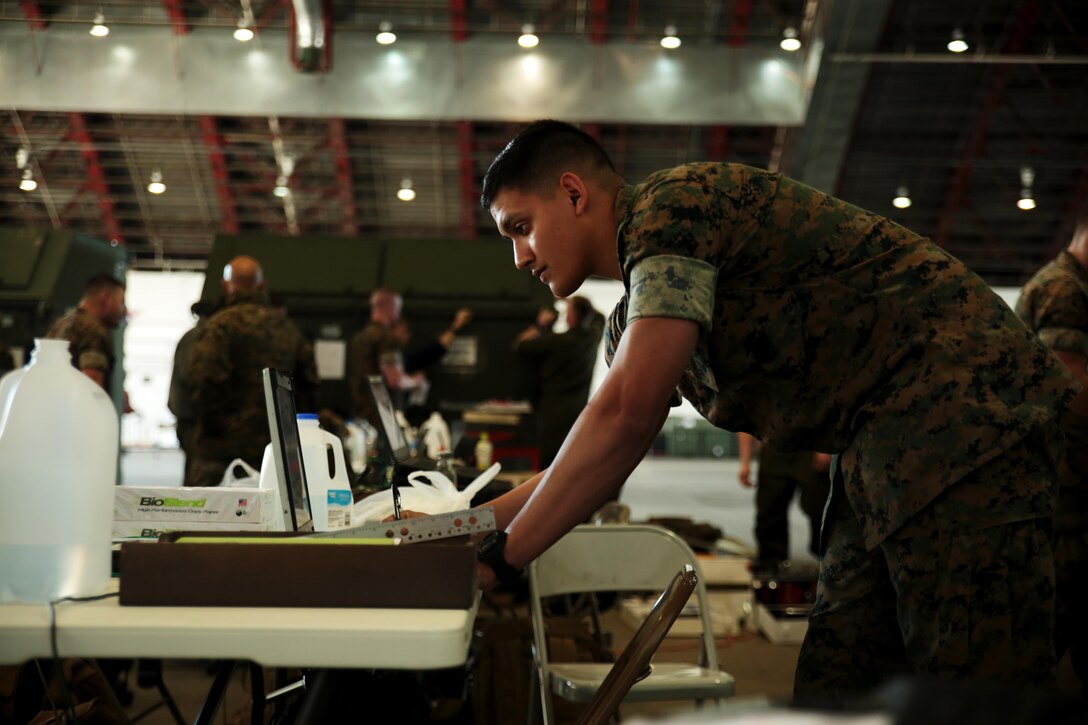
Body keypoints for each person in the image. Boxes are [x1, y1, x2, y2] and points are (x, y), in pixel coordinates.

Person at [467, 120, 1078, 702]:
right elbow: (593, 456)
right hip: (880, 443)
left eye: (520, 227)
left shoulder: (672, 207)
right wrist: (469, 528)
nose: (520, 257)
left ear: (572, 193)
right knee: (840, 675)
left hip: (968, 419)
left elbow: (625, 417)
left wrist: (502, 560)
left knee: (976, 682)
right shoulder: (637, 313)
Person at [1015, 208, 1088, 699]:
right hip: (1064, 489)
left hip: (1068, 486)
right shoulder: (1064, 290)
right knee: (1049, 623)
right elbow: (1073, 388)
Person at [186, 256, 318, 486]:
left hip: (222, 457)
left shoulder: (219, 327)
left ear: (226, 285)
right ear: (262, 285)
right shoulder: (287, 329)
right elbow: (309, 386)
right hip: (275, 452)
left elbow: (202, 383)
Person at [513, 296, 604, 468]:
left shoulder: (558, 341)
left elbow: (520, 345)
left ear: (571, 317)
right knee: (569, 458)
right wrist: (573, 303)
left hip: (552, 412)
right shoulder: (592, 338)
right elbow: (600, 317)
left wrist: (541, 325)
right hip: (578, 411)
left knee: (549, 462)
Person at [737, 433, 831, 568]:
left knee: (821, 507)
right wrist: (745, 461)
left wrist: (826, 446)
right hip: (773, 446)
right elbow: (744, 421)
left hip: (810, 447)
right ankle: (771, 564)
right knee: (769, 509)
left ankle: (829, 559)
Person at [347, 288, 425, 427]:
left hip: (362, 416)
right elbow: (396, 380)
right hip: (385, 419)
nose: (398, 313)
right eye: (398, 308)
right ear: (390, 307)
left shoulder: (358, 338)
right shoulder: (387, 339)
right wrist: (416, 381)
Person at [44, 273, 126, 392]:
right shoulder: (94, 331)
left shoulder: (61, 324)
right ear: (106, 298)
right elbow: (92, 384)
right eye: (121, 302)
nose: (123, 309)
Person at [167, 300, 214, 485]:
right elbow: (195, 380)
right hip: (194, 423)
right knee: (198, 480)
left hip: (189, 421)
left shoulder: (191, 337)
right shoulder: (201, 338)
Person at [395, 307, 473, 375]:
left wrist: (457, 324)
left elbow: (435, 349)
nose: (409, 336)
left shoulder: (402, 361)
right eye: (405, 332)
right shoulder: (393, 361)